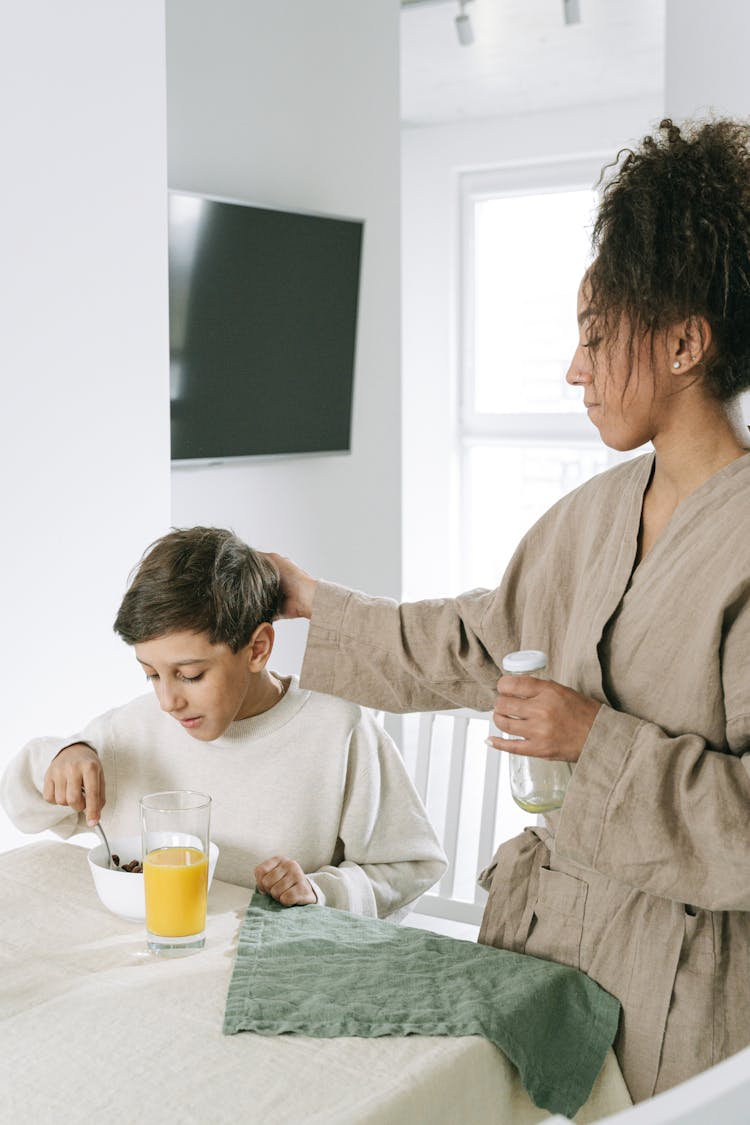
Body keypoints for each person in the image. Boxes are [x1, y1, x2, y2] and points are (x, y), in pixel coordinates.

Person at [265, 118, 750, 1102]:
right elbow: (472, 645)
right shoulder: (587, 520)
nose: (574, 368)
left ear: (688, 342)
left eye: (598, 336)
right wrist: (312, 610)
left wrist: (593, 741)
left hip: (682, 1016)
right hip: (542, 968)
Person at [1, 527, 446, 919]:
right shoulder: (130, 729)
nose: (168, 701)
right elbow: (22, 805)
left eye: (190, 675)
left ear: (257, 649)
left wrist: (322, 890)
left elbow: (411, 866)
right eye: (151, 674)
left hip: (275, 972)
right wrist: (63, 755)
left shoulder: (337, 730)